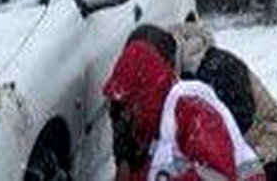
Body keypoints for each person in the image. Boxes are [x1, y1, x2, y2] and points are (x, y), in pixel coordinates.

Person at [104, 27, 265, 180]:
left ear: (144, 96)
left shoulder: (190, 106)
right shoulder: (156, 130)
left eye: (131, 106)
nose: (128, 115)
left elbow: (217, 174)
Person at [163, 23, 277, 180]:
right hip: (261, 147)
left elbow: (238, 121)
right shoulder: (195, 68)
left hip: (276, 147)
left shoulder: (217, 68)